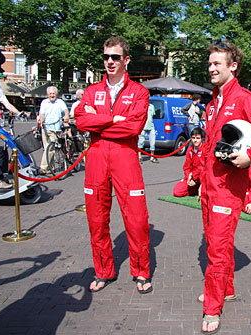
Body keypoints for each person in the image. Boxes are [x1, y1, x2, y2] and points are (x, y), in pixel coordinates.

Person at [199, 40, 251, 334]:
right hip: (210, 186)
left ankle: (212, 307)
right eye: (210, 63)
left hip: (228, 188)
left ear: (233, 66)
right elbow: (209, 146)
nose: (211, 68)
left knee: (217, 249)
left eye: (217, 64)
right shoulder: (212, 102)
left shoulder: (245, 99)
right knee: (214, 243)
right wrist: (199, 182)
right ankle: (224, 289)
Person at [74, 36, 152, 294]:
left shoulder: (139, 92)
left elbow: (133, 127)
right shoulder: (91, 91)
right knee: (96, 220)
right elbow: (82, 122)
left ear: (126, 60)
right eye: (106, 56)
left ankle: (141, 271)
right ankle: (103, 271)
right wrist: (113, 118)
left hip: (125, 159)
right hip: (96, 159)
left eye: (115, 57)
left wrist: (100, 121)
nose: (109, 61)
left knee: (137, 220)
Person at [38, 86, 69, 175]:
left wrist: (66, 116)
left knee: (50, 147)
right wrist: (41, 122)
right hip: (46, 127)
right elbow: (42, 114)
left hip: (56, 128)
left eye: (53, 93)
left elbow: (65, 110)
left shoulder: (60, 102)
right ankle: (50, 168)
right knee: (47, 148)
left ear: (56, 94)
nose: (52, 95)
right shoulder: (44, 102)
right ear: (47, 94)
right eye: (50, 93)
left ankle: (43, 168)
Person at [173, 127, 204, 197]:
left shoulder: (205, 149)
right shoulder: (189, 150)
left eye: (198, 138)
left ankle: (201, 188)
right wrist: (189, 178)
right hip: (192, 177)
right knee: (177, 191)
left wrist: (195, 177)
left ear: (202, 139)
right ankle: (195, 189)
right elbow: (186, 167)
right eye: (193, 138)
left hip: (203, 179)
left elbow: (204, 168)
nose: (195, 140)